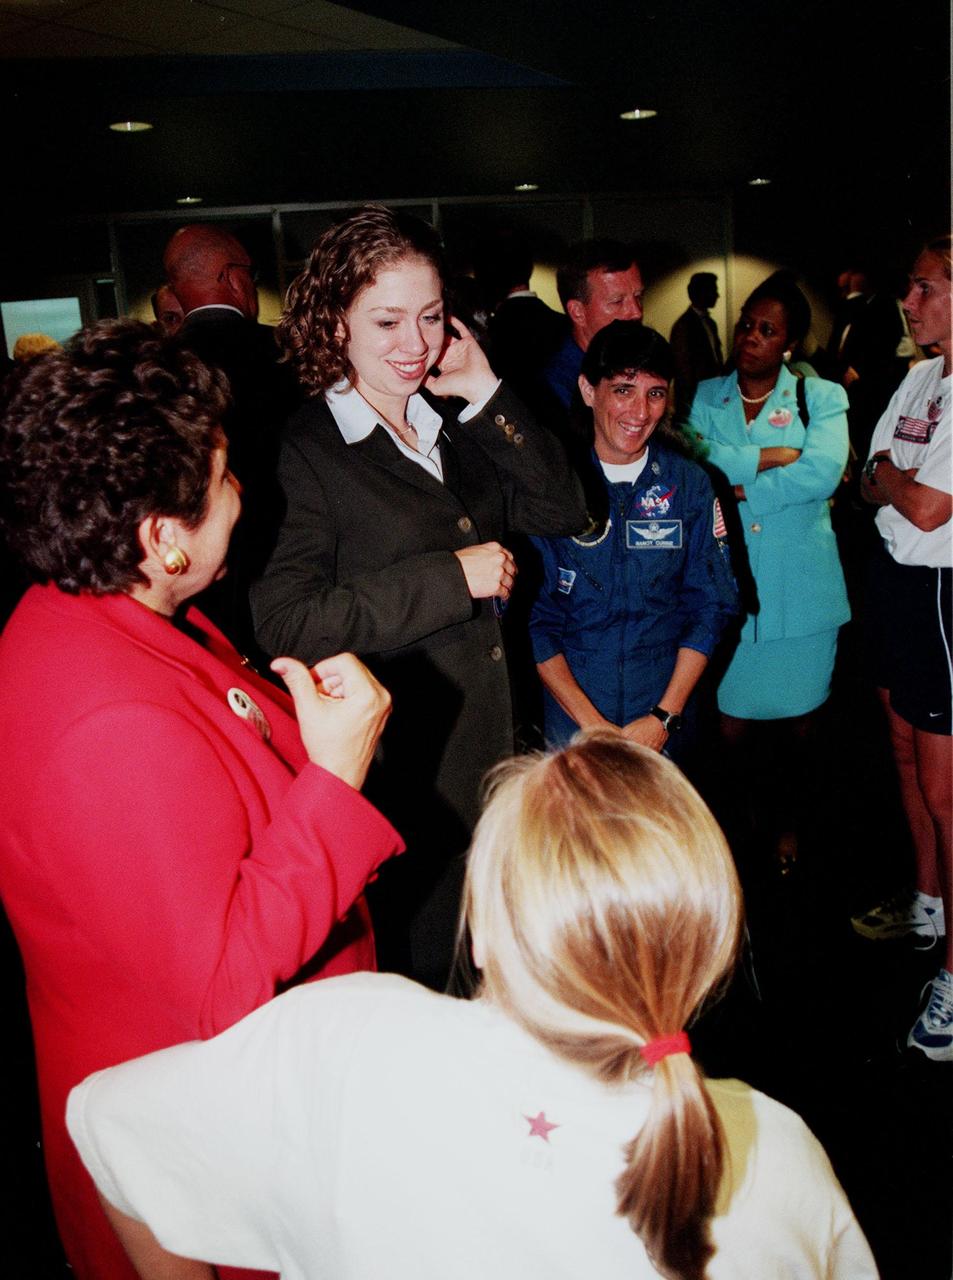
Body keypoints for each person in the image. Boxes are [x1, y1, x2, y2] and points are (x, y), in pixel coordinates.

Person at [67, 733, 877, 1280]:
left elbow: (105, 1121)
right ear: (709, 951)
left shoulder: (342, 1037)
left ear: (484, 931)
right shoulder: (774, 1155)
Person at [0, 320, 403, 1280]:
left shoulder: (90, 607)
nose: (239, 492)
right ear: (161, 537)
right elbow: (215, 989)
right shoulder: (110, 720)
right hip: (201, 1164)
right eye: (222, 479)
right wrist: (334, 778)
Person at [251, 204, 586, 988]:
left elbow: (563, 509)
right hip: (408, 779)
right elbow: (286, 621)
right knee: (428, 982)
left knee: (503, 974)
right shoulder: (305, 451)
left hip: (498, 760)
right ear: (336, 323)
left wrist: (485, 389)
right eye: (387, 321)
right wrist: (449, 579)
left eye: (431, 318)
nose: (415, 345)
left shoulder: (453, 419)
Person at [689, 274, 850, 868]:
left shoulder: (821, 397)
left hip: (804, 597)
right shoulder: (707, 394)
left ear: (790, 344)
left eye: (767, 330)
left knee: (800, 732)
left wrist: (740, 488)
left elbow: (823, 473)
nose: (750, 337)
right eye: (746, 325)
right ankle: (739, 830)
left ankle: (789, 828)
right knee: (729, 730)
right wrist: (771, 456)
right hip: (731, 592)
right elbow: (696, 462)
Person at [530, 322, 737, 756]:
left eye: (655, 393)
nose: (640, 412)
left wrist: (664, 717)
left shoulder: (689, 486)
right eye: (624, 390)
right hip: (574, 723)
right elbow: (536, 622)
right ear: (588, 390)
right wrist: (593, 725)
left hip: (664, 718)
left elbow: (711, 606)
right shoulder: (554, 488)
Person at [852, 233, 952, 1061]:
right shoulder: (920, 377)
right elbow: (866, 477)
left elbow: (923, 508)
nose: (907, 302)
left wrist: (890, 479)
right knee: (901, 751)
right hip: (896, 579)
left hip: (942, 589)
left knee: (947, 790)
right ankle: (930, 903)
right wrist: (890, 480)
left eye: (923, 288)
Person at [164, 223, 300, 661]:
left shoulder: (157, 368)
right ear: (233, 277)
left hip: (195, 565)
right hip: (295, 551)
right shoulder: (287, 353)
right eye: (251, 274)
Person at [543, 237, 644, 410]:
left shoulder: (639, 362)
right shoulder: (558, 388)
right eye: (617, 302)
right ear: (578, 312)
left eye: (639, 297)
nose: (636, 312)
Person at [670, 271, 724, 425]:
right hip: (694, 404)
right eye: (713, 290)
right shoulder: (683, 326)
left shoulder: (710, 323)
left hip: (711, 398)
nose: (717, 295)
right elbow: (684, 373)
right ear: (701, 292)